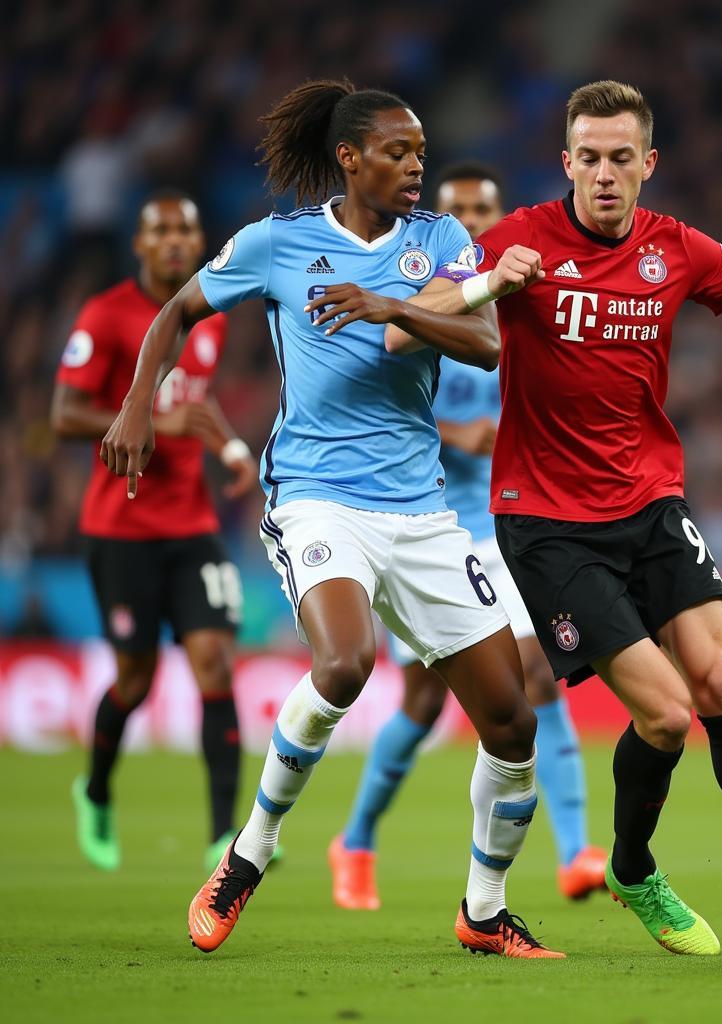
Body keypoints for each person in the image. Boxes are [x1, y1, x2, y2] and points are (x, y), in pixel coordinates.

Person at [388, 80, 722, 956]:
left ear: (648, 164)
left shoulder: (678, 250)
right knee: (666, 717)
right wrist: (486, 284)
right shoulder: (519, 240)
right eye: (591, 158)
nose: (606, 175)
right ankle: (632, 867)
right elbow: (401, 326)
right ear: (567, 161)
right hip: (545, 520)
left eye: (623, 158)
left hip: (650, 502)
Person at [100, 80, 563, 959]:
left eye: (421, 152)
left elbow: (489, 344)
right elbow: (176, 311)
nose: (416, 167)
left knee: (513, 724)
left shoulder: (440, 242)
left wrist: (392, 307)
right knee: (347, 662)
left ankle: (484, 909)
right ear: (349, 159)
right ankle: (251, 852)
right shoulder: (278, 243)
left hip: (422, 511)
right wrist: (135, 404)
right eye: (397, 153)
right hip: (315, 494)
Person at [329, 162, 605, 912]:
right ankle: (354, 839)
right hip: (432, 524)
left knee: (541, 676)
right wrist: (458, 430)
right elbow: (381, 404)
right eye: (459, 210)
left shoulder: (531, 300)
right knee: (422, 706)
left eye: (486, 208)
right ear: (437, 223)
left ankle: (578, 849)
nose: (475, 222)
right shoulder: (421, 306)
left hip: (515, 525)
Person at [52, 192, 260, 873]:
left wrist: (231, 451)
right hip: (120, 528)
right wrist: (156, 424)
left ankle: (223, 837)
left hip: (191, 523)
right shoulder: (105, 317)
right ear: (139, 245)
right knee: (135, 680)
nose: (175, 241)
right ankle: (97, 787)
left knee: (214, 663)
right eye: (161, 231)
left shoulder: (208, 320)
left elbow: (193, 406)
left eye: (186, 230)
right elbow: (64, 414)